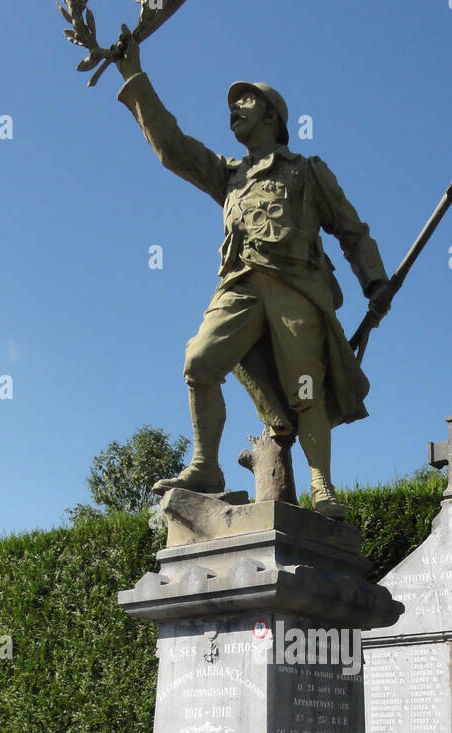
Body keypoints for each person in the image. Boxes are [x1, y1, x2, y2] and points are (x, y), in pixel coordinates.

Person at [114, 29, 392, 519]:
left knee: (305, 387)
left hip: (295, 287)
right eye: (233, 103)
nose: (234, 108)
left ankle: (322, 486)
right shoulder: (229, 175)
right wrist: (133, 74)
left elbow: (352, 231)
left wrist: (375, 281)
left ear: (272, 115)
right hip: (240, 285)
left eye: (245, 101)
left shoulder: (306, 171)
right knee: (199, 361)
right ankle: (206, 466)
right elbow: (172, 147)